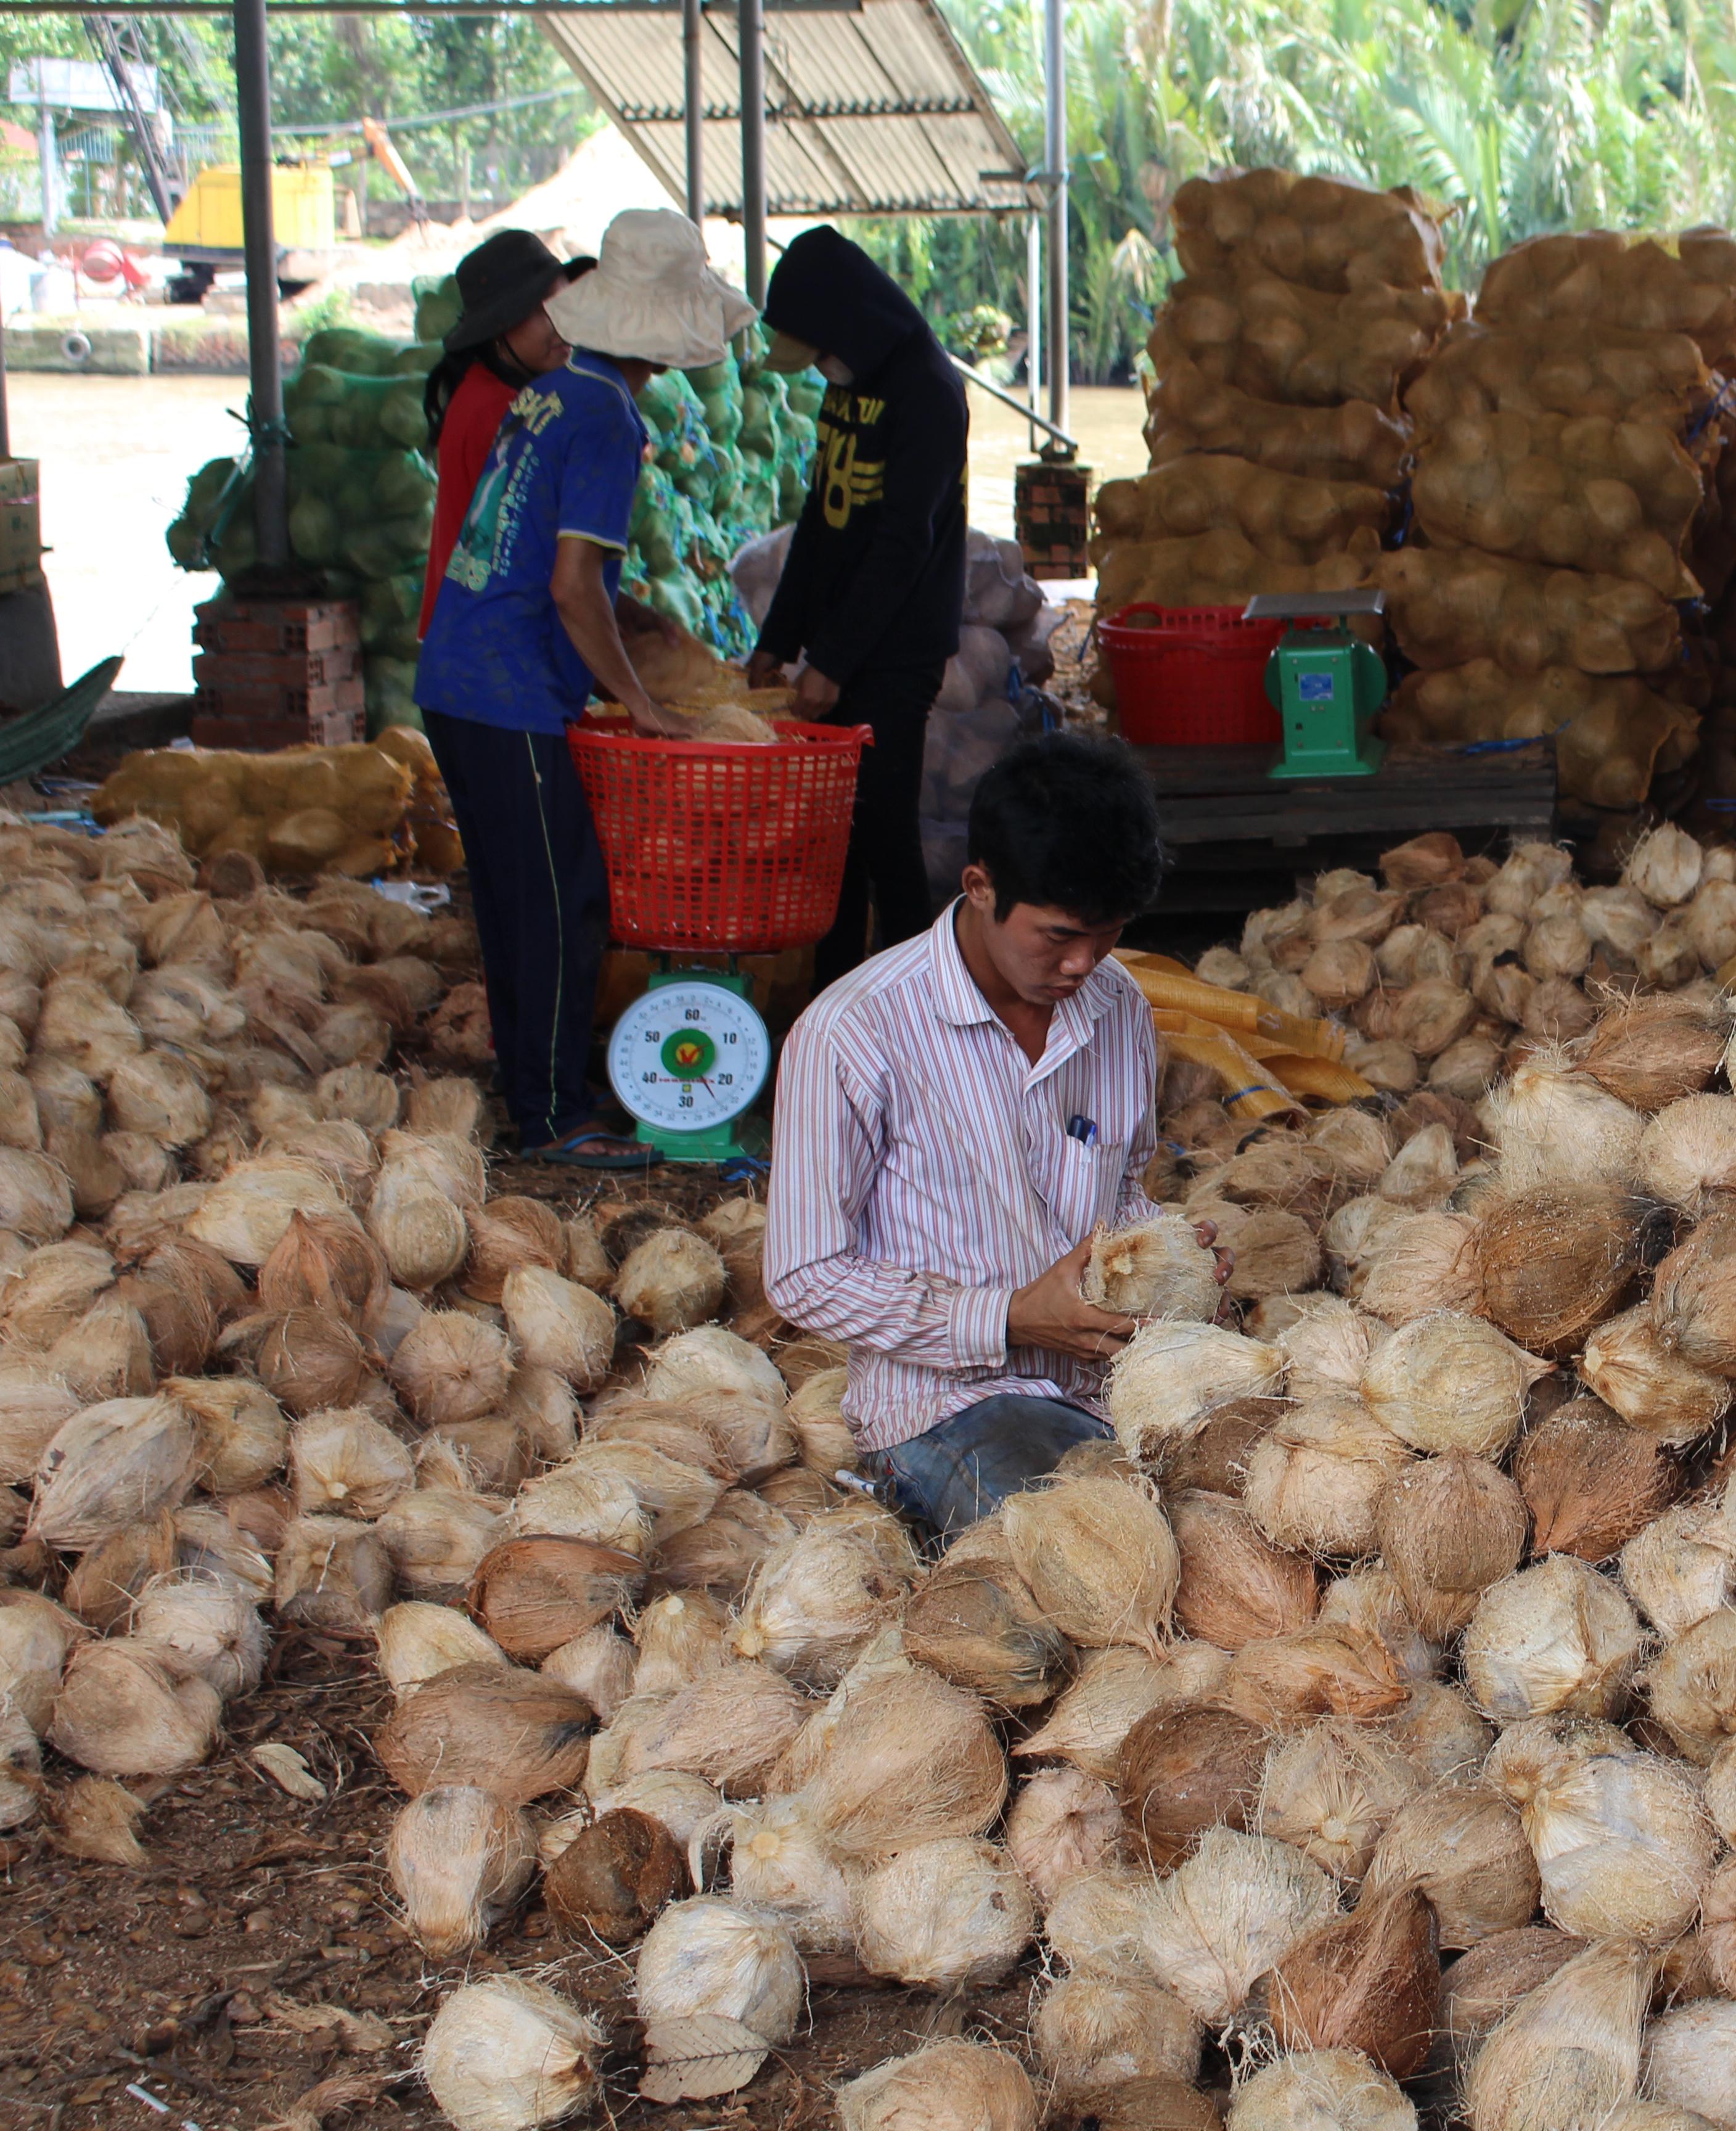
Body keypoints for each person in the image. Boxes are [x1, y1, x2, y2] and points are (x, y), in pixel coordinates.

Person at [764, 731, 1220, 1541]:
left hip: (1104, 1382)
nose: (1085, 963)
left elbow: (1118, 1191)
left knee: (1245, 1492)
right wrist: (1007, 1317)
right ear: (980, 887)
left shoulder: (1118, 1009)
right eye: (1057, 935)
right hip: (945, 1407)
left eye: (1108, 932)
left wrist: (1163, 1255)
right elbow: (804, 1276)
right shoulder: (852, 1033)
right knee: (1089, 1547)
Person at [416, 208, 754, 1168]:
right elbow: (570, 587)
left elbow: (558, 567)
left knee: (518, 898)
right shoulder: (608, 414)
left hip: (459, 676)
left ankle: (535, 1091)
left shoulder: (555, 391)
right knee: (564, 903)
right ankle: (556, 1116)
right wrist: (645, 706)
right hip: (509, 688)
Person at [743, 224, 971, 990]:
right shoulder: (851, 385)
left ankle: (920, 1004)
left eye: (819, 352)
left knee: (883, 837)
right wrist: (782, 638)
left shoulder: (928, 394)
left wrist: (835, 661)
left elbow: (906, 542)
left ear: (848, 325)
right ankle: (835, 1002)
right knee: (829, 844)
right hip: (841, 643)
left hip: (897, 650)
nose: (820, 370)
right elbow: (821, 519)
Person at [418, 231, 593, 639]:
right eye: (544, 312)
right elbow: (540, 559)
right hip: (483, 650)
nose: (562, 326)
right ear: (499, 327)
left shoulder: (495, 395)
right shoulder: (501, 412)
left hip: (473, 640)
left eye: (565, 307)